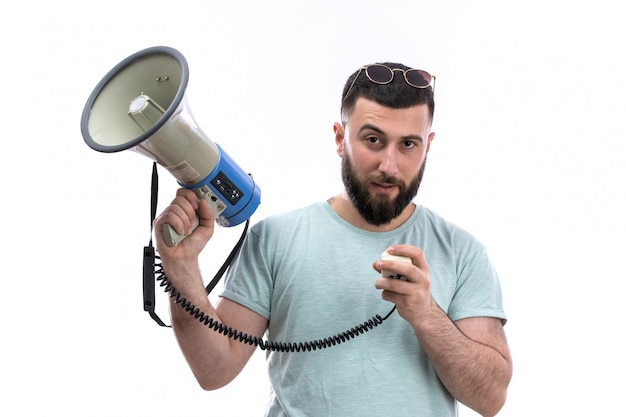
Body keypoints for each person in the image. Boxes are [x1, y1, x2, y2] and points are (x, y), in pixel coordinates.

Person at [154, 62, 513, 417]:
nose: (390, 165)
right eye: (373, 139)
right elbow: (214, 370)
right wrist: (180, 267)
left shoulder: (462, 251)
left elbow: (491, 398)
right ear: (341, 139)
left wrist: (425, 315)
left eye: (408, 144)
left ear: (428, 145)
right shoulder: (276, 238)